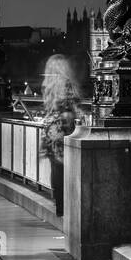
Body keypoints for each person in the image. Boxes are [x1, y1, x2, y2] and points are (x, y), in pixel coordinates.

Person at [39, 54, 80, 218]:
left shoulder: (47, 85)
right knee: (67, 168)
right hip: (63, 127)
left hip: (50, 129)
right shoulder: (67, 84)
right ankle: (67, 207)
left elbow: (49, 107)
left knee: (55, 167)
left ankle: (59, 206)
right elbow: (71, 105)